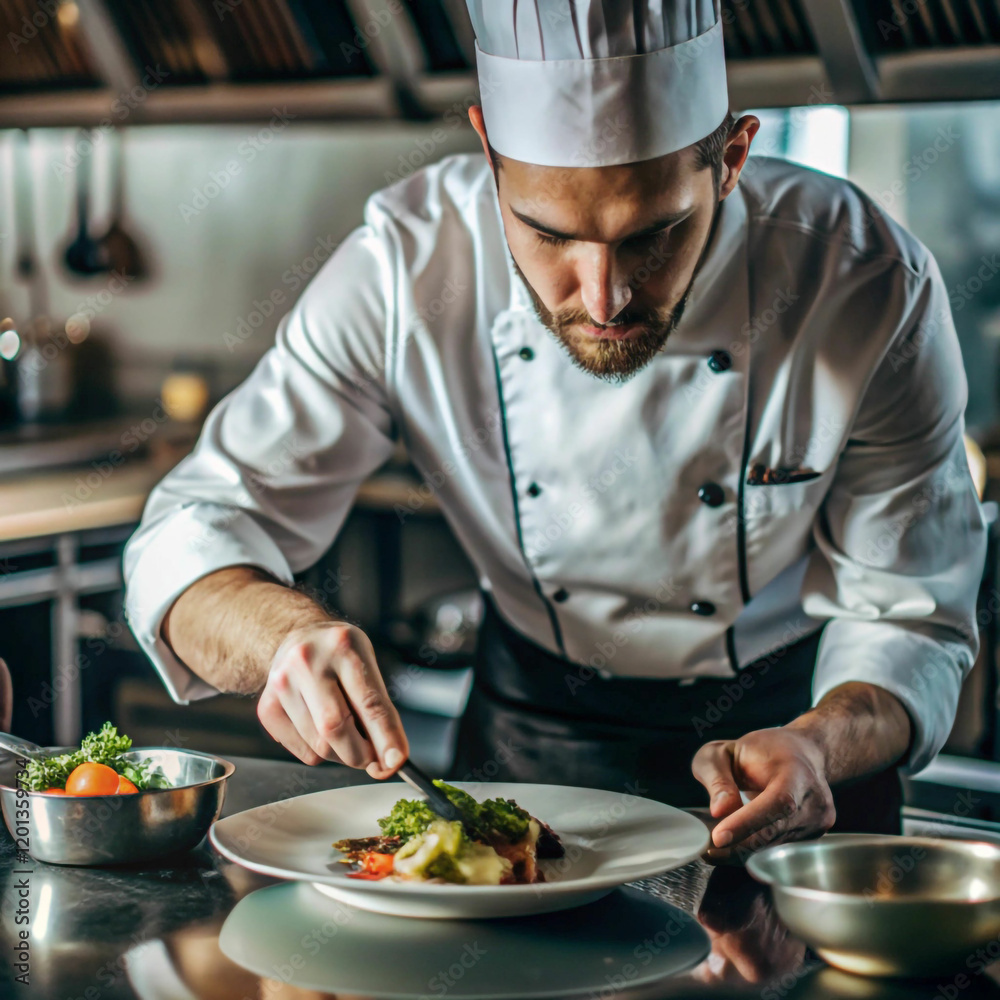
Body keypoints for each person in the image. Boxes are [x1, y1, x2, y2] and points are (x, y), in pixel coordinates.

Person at [123, 1, 985, 854]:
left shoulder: (862, 280)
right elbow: (189, 534)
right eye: (547, 232)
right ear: (488, 151)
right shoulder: (405, 269)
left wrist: (820, 743)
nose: (603, 296)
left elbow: (910, 618)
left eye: (654, 234)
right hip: (531, 747)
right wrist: (284, 639)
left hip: (796, 758)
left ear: (732, 158)